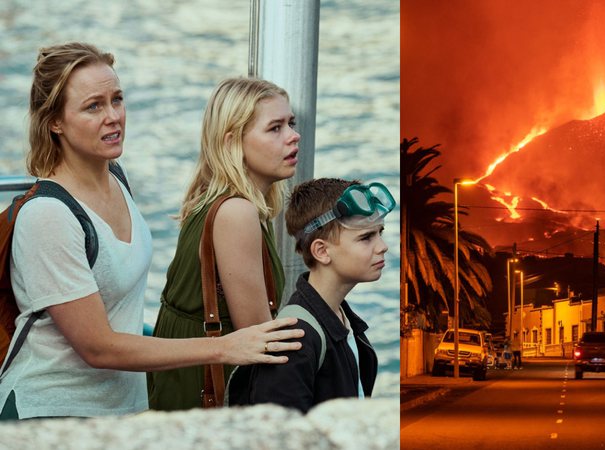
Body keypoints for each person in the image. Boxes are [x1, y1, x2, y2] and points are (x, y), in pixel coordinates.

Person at [0, 42, 302, 420]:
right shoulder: (48, 216)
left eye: (117, 99)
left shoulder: (115, 179)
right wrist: (224, 348)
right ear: (54, 122)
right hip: (50, 415)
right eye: (93, 106)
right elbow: (99, 348)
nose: (113, 116)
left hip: (125, 409)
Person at [147, 77, 302, 410]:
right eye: (274, 128)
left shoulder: (214, 200)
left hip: (182, 371)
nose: (293, 136)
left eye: (291, 123)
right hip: (209, 381)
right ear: (232, 141)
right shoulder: (237, 212)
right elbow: (259, 334)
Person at [227, 178, 395, 413]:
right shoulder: (295, 340)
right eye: (366, 237)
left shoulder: (345, 320)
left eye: (380, 232)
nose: (382, 246)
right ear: (322, 251)